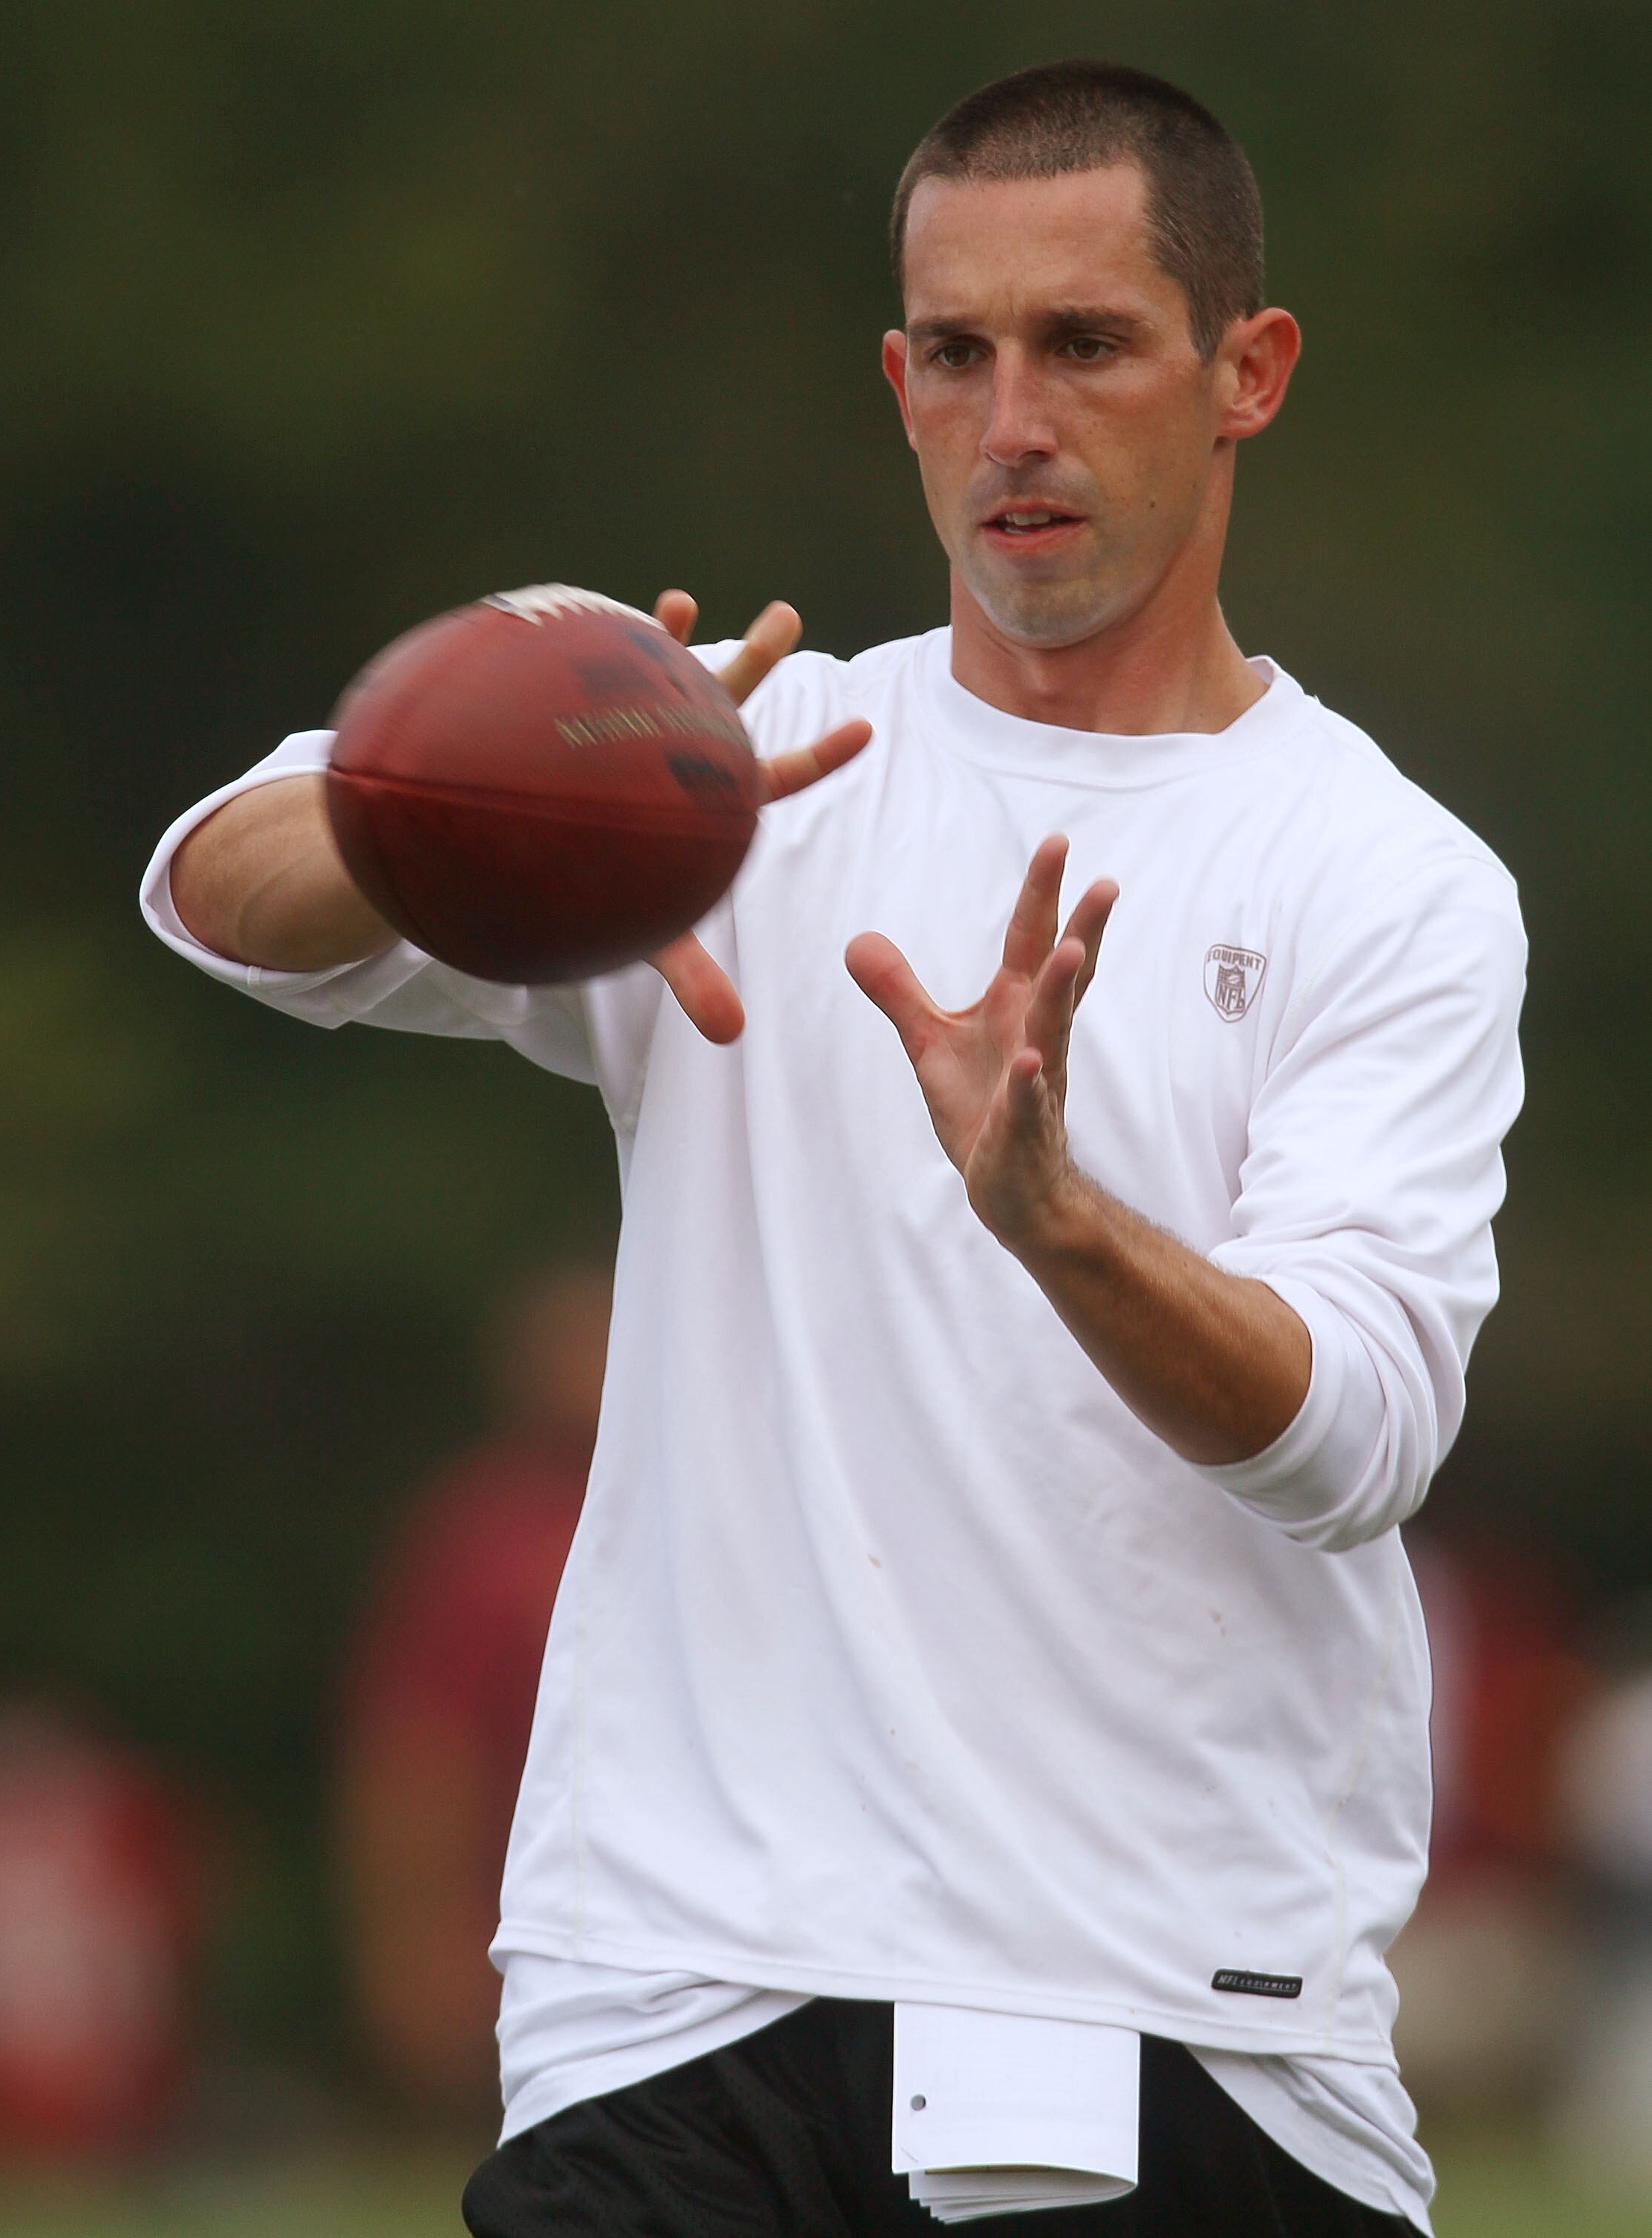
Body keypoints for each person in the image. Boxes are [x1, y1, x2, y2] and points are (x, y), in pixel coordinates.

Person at [141, 57, 1526, 2238]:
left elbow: (1351, 1434)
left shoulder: (1382, 875)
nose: (1013, 420)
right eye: (956, 354)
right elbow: (224, 896)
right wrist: (486, 799)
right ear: (896, 378)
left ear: (1244, 369)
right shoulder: (719, 779)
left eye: (1083, 344)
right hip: (683, 1993)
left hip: (1186, 2002)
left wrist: (1057, 1224)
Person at [336, 1265, 612, 2116]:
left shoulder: (725, 1496)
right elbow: (416, 1758)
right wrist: (414, 1938)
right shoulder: (484, 1532)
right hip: (529, 1933)